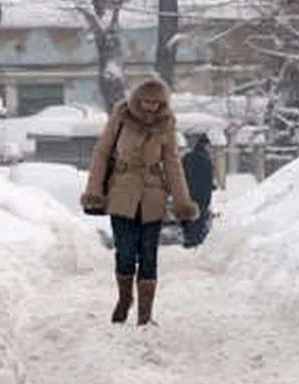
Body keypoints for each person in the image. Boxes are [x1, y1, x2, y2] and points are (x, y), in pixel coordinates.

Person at [81, 78, 199, 325]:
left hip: (152, 196)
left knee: (149, 254)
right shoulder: (121, 116)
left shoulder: (166, 123)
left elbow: (172, 163)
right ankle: (125, 299)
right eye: (146, 101)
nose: (150, 107)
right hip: (122, 193)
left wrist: (182, 202)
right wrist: (94, 191)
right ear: (137, 100)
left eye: (156, 103)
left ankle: (145, 314)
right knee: (125, 252)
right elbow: (102, 153)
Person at [181, 133, 215, 248]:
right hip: (201, 195)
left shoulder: (187, 157)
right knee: (198, 218)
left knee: (188, 216)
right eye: (209, 146)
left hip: (186, 193)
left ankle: (187, 238)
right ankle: (195, 241)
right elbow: (208, 180)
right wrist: (208, 197)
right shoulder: (206, 160)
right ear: (205, 145)